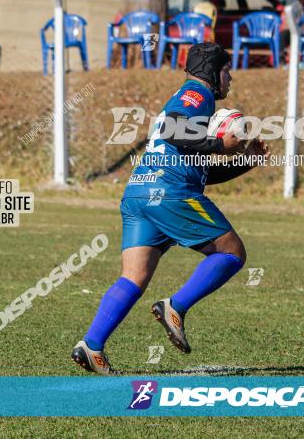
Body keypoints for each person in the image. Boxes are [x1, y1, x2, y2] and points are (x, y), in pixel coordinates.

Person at [72, 43, 270, 374]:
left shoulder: (190, 105)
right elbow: (174, 130)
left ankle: (92, 345)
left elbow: (201, 170)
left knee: (134, 276)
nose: (230, 77)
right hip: (168, 193)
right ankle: (174, 307)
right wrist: (221, 143)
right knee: (232, 252)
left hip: (139, 193)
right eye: (226, 71)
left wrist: (246, 160)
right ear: (211, 72)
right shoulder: (197, 94)